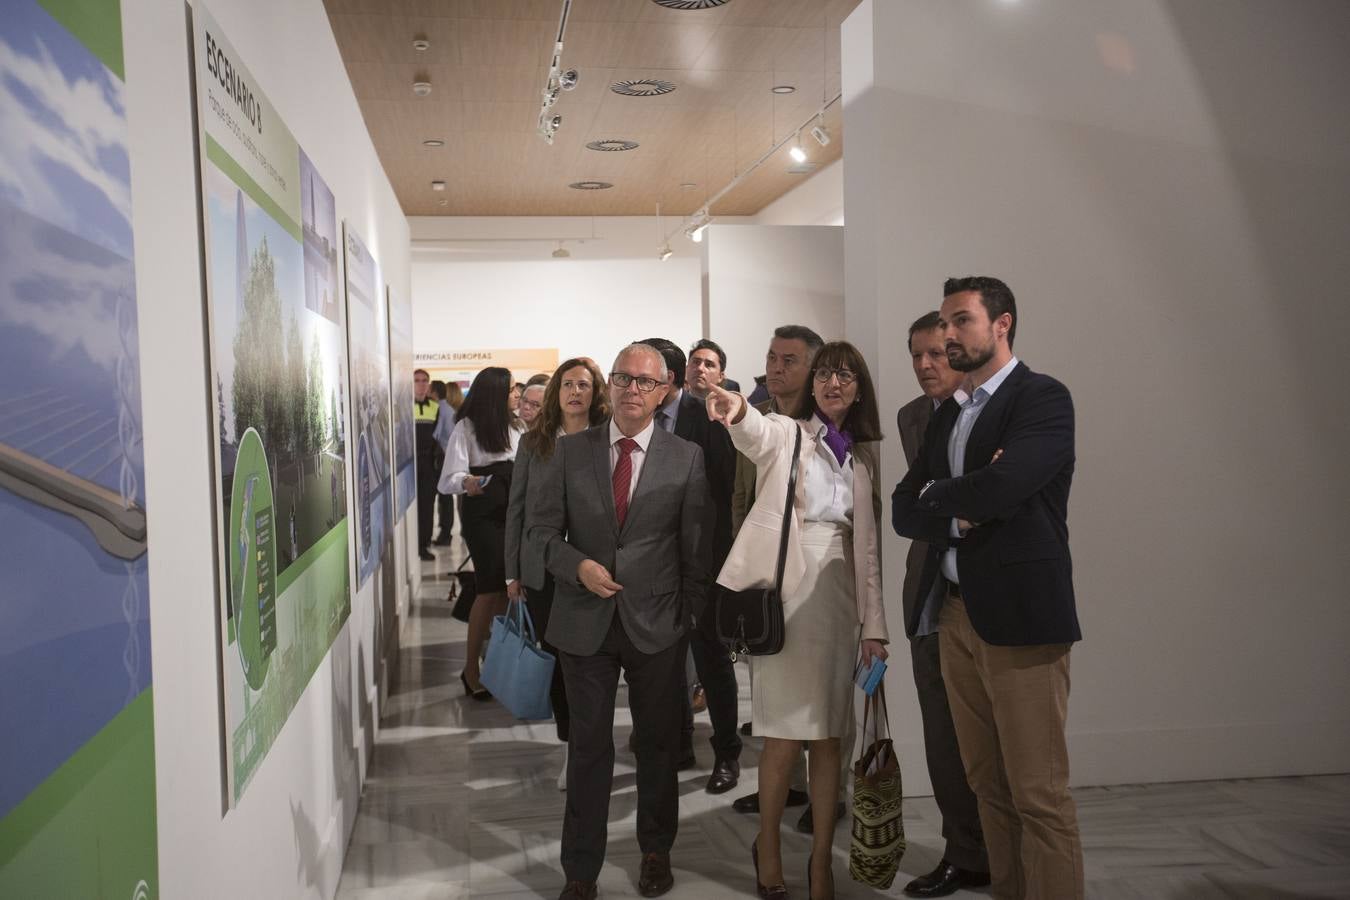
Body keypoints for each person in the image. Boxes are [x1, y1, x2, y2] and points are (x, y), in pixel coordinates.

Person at [893, 277, 1084, 900]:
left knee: (1038, 793)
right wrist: (960, 504)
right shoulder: (950, 411)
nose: (947, 335)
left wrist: (948, 496)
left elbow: (1006, 489)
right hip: (954, 615)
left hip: (1021, 620)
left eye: (961, 321)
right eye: (944, 323)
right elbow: (902, 509)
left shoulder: (1042, 398)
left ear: (1002, 325)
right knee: (988, 787)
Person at [530, 344, 712, 900]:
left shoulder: (686, 457)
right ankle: (580, 870)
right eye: (622, 378)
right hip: (584, 621)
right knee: (588, 748)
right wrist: (576, 565)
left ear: (665, 390)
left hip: (657, 622)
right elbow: (539, 535)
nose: (631, 389)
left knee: (657, 746)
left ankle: (656, 852)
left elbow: (696, 547)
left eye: (644, 382)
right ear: (611, 384)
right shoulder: (571, 452)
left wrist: (689, 617)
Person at [707, 339, 887, 900]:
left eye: (846, 376)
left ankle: (819, 865)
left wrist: (875, 627)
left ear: (859, 389)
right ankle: (768, 849)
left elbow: (870, 553)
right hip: (785, 602)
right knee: (782, 738)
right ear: (813, 385)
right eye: (826, 374)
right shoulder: (789, 434)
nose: (835, 384)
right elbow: (754, 431)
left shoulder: (861, 457)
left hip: (839, 603)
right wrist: (735, 409)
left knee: (831, 736)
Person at [731, 326, 847, 836]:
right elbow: (745, 481)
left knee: (829, 717)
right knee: (777, 719)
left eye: (791, 360)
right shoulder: (770, 421)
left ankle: (828, 803)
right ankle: (776, 829)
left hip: (832, 590)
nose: (777, 368)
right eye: (771, 358)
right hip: (773, 582)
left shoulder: (843, 437)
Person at [896, 312, 991, 898]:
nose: (926, 365)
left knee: (997, 740)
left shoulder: (991, 411)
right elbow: (910, 506)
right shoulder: (913, 416)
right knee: (941, 733)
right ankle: (964, 851)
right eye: (916, 355)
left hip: (987, 593)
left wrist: (937, 505)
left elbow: (984, 501)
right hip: (930, 589)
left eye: (937, 353)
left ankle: (1003, 851)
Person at [641, 337, 742, 793]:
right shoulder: (639, 417)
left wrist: (716, 563)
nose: (640, 384)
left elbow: (725, 490)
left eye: (648, 375)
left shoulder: (708, 415)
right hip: (653, 560)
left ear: (669, 376)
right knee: (662, 659)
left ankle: (727, 754)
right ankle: (677, 741)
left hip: (703, 560)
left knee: (712, 660)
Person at [504, 357, 609, 791]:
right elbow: (517, 508)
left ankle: (596, 748)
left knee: (590, 667)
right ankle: (571, 748)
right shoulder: (536, 443)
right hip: (543, 571)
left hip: (592, 569)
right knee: (562, 669)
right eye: (567, 384)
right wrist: (510, 572)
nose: (575, 392)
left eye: (584, 384)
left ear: (595, 391)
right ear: (556, 392)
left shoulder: (608, 440)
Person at [439, 366, 523, 700]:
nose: (518, 394)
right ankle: (470, 668)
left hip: (513, 516)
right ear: (497, 393)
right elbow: (447, 480)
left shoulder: (518, 426)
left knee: (507, 591)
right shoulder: (467, 428)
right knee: (488, 590)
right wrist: (469, 482)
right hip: (483, 518)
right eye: (514, 389)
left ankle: (497, 664)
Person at [413, 369, 440, 561]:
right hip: (409, 464)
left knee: (427, 506)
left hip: (428, 464)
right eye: (417, 381)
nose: (421, 384)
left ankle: (424, 545)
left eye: (424, 381)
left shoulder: (435, 407)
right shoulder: (402, 407)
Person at [433, 381, 463, 546]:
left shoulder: (443, 410)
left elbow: (436, 435)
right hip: (449, 456)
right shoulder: (452, 411)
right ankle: (448, 532)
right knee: (450, 498)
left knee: (446, 498)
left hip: (444, 457)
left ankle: (445, 533)